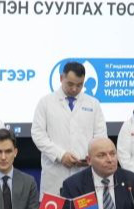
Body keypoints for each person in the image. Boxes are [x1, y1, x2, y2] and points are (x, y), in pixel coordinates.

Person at [32, 61, 107, 196]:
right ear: (62, 78)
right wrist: (60, 155)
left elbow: (100, 136)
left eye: (79, 85)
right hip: (55, 174)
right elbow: (38, 134)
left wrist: (89, 157)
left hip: (84, 172)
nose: (74, 89)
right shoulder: (46, 102)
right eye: (70, 84)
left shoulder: (93, 104)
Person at [57, 137, 134, 209]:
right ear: (89, 160)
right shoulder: (74, 185)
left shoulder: (131, 180)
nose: (110, 159)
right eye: (101, 155)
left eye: (113, 154)